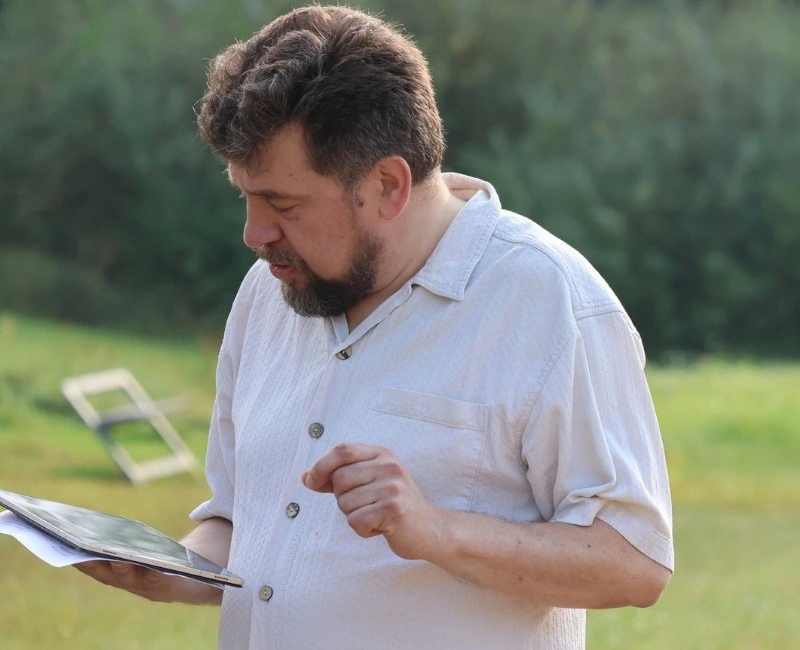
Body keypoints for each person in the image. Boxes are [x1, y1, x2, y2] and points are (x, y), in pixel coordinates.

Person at [78, 5, 673, 649]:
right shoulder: (266, 292)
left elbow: (634, 561)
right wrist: (169, 568)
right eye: (245, 197)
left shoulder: (552, 302)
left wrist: (436, 530)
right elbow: (237, 526)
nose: (254, 234)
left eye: (283, 204)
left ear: (389, 184)